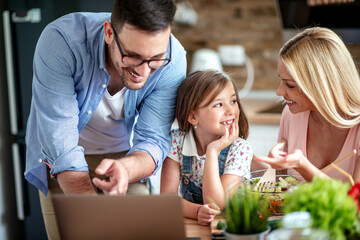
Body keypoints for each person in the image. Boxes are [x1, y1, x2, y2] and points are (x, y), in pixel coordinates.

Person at [24, 0, 186, 239]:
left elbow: (153, 140)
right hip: (60, 163)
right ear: (109, 33)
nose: (144, 71)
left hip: (126, 158)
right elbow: (61, 144)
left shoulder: (173, 59)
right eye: (133, 56)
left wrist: (126, 168)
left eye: (156, 58)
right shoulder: (62, 41)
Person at [255, 27, 360, 183]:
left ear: (321, 86)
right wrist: (276, 168)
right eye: (281, 81)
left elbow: (355, 203)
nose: (279, 92)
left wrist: (302, 165)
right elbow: (281, 190)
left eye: (290, 85)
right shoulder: (291, 114)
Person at [160, 70, 253, 225]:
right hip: (195, 224)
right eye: (218, 104)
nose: (231, 111)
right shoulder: (177, 141)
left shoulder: (241, 149)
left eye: (233, 101)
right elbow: (167, 199)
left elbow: (217, 204)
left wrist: (213, 151)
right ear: (193, 117)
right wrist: (197, 212)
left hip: (231, 226)